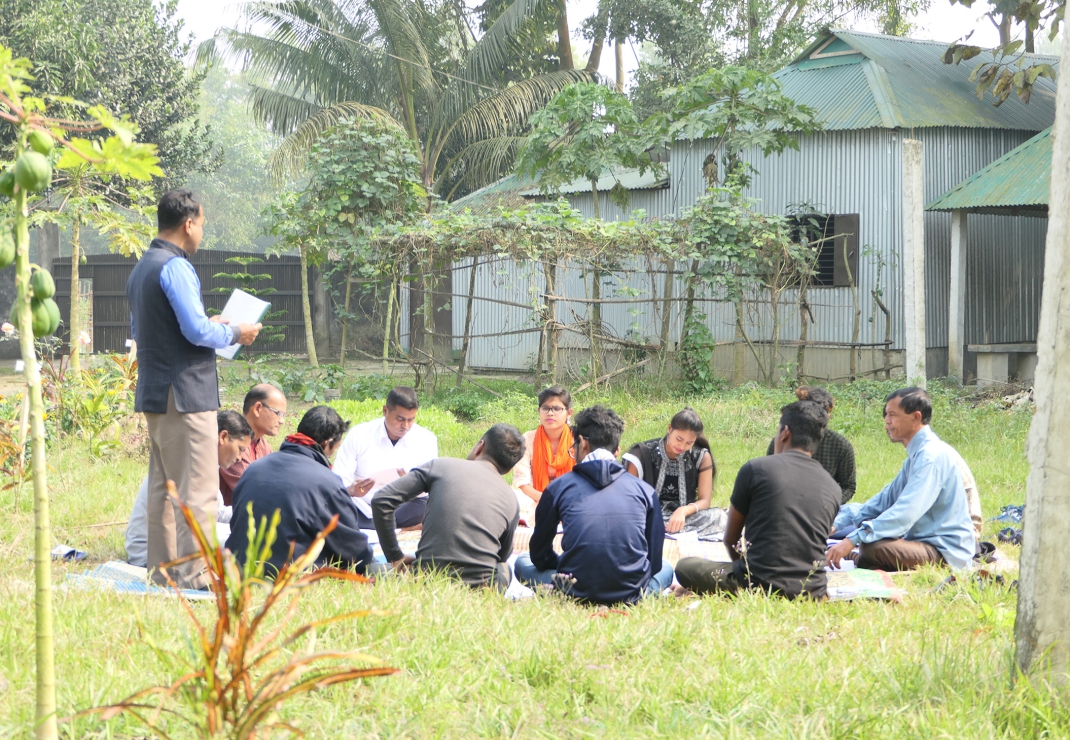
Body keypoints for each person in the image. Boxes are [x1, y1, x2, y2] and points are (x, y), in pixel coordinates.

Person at [126, 189, 261, 588]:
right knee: (196, 490)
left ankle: (164, 571)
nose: (202, 232)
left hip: (154, 392)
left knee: (162, 488)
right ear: (189, 223)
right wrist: (236, 330)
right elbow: (196, 331)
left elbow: (147, 331)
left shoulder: (142, 268)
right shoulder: (176, 267)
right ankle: (196, 577)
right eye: (202, 224)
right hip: (185, 394)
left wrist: (209, 323)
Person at [674, 401, 841, 599]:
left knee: (685, 567)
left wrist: (743, 569)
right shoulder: (833, 487)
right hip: (811, 590)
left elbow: (730, 540)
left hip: (757, 584)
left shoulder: (756, 469)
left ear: (785, 432)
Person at [514, 405, 673, 605]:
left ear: (581, 442)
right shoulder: (645, 491)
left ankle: (557, 590)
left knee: (522, 562)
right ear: (616, 450)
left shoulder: (558, 488)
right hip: (632, 593)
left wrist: (564, 566)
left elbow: (538, 555)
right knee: (667, 567)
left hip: (572, 589)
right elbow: (655, 561)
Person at [826, 388, 976, 572]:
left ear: (916, 417)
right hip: (922, 543)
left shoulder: (931, 456)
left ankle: (856, 558)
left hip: (946, 553)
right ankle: (857, 559)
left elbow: (905, 514)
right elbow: (881, 503)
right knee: (868, 539)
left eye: (892, 415)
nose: (886, 421)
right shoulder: (917, 455)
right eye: (886, 415)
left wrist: (852, 539)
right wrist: (835, 524)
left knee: (872, 546)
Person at [371, 424, 526, 590]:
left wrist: (395, 556)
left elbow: (382, 500)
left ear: (480, 446)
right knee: (504, 568)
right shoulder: (511, 499)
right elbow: (501, 557)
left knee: (370, 567)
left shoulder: (440, 466)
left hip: (423, 580)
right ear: (509, 469)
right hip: (480, 588)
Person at [226, 406, 373, 576]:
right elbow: (353, 550)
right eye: (334, 450)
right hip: (286, 573)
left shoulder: (253, 469)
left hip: (240, 566)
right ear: (327, 443)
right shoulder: (326, 481)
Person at [125, 410, 253, 568]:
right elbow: (202, 520)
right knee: (245, 539)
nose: (240, 457)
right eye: (240, 449)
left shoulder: (201, 460)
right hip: (150, 553)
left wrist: (252, 514)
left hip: (160, 546)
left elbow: (215, 512)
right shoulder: (196, 463)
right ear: (223, 437)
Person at [332, 386, 438, 529]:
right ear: (385, 411)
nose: (405, 426)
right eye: (400, 419)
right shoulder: (360, 435)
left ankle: (383, 527)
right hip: (363, 506)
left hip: (403, 506)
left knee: (431, 506)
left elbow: (430, 486)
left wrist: (412, 487)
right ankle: (394, 528)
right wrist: (351, 489)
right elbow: (339, 478)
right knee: (335, 505)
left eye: (411, 420)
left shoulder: (426, 439)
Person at [623, 408, 726, 540]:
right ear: (669, 428)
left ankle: (668, 529)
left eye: (689, 443)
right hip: (647, 515)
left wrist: (683, 511)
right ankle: (662, 528)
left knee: (720, 517)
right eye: (679, 439)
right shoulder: (643, 453)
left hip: (685, 518)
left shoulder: (701, 456)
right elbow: (628, 498)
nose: (682, 446)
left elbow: (705, 500)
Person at [765, 386, 856, 504]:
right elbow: (769, 476)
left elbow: (848, 486)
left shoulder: (840, 446)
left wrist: (828, 505)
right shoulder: (783, 440)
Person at [510, 386, 575, 522]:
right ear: (539, 411)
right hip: (535, 499)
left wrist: (562, 501)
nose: (550, 413)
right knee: (512, 497)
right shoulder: (527, 439)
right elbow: (522, 481)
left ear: (569, 413)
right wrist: (547, 500)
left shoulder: (578, 441)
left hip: (571, 499)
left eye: (557, 409)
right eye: (545, 408)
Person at [218, 384, 288, 505]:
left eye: (283, 415)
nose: (282, 421)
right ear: (257, 408)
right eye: (277, 413)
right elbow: (257, 492)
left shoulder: (264, 445)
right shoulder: (233, 443)